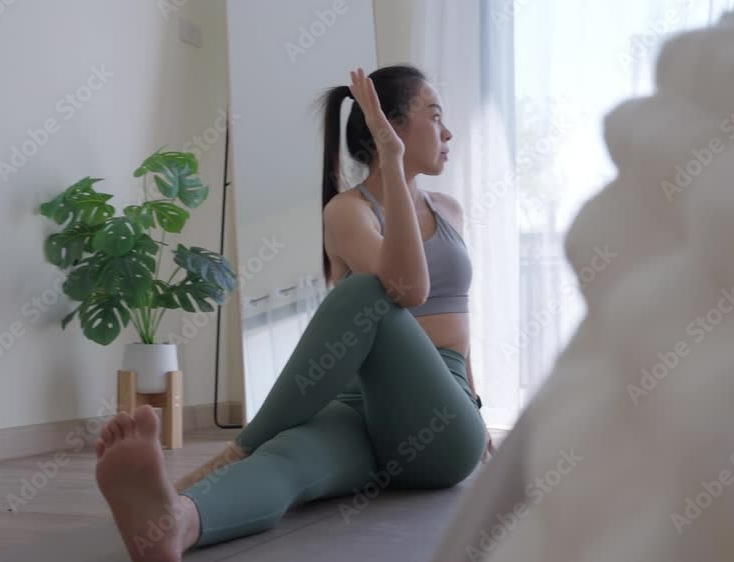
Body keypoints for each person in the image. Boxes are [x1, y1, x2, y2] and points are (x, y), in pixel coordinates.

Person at [93, 65, 495, 561]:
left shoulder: (449, 210)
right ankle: (177, 523)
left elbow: (422, 299)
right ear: (389, 127)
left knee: (369, 292)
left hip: (440, 421)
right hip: (356, 410)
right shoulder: (349, 211)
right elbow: (406, 288)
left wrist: (475, 406)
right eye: (434, 116)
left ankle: (241, 446)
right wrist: (390, 161)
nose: (447, 131)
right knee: (288, 461)